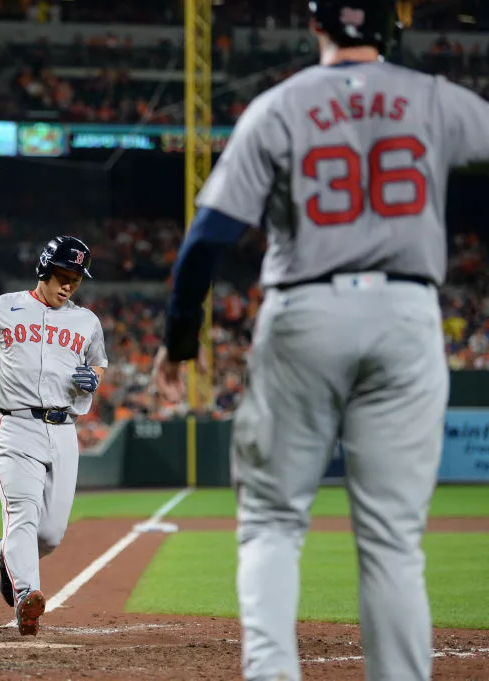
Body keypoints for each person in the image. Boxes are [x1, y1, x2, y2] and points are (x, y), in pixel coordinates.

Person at [151, 2, 489, 679]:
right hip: (406, 312)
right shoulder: (436, 98)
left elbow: (207, 238)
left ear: (315, 26)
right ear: (391, 28)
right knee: (393, 540)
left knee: (273, 521)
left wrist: (181, 340)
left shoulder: (279, 106)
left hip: (304, 310)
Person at [0, 236, 107, 636]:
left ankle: (6, 554)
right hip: (16, 425)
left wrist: (94, 380)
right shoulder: (2, 307)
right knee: (22, 514)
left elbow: (98, 364)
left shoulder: (86, 321)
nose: (69, 284)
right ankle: (27, 597)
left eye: (76, 278)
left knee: (50, 535)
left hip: (64, 430)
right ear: (44, 269)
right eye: (63, 275)